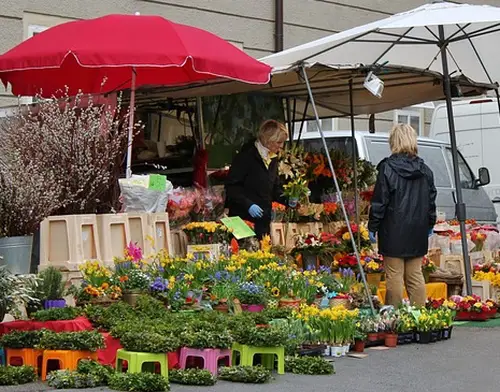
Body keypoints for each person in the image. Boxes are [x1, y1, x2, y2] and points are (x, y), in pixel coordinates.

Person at [368, 124, 437, 307]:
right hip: (417, 230)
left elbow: (379, 201)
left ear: (393, 141)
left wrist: (373, 227)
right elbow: (431, 202)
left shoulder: (387, 168)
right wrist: (430, 224)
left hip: (393, 230)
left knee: (394, 276)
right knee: (415, 275)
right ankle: (419, 317)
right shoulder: (425, 170)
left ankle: (396, 318)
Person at [225, 120, 288, 239]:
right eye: (279, 142)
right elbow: (232, 187)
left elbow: (274, 188)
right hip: (242, 220)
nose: (281, 146)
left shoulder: (273, 159)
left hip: (262, 221)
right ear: (268, 139)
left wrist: (288, 199)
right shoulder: (245, 157)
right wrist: (248, 205)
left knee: (263, 252)